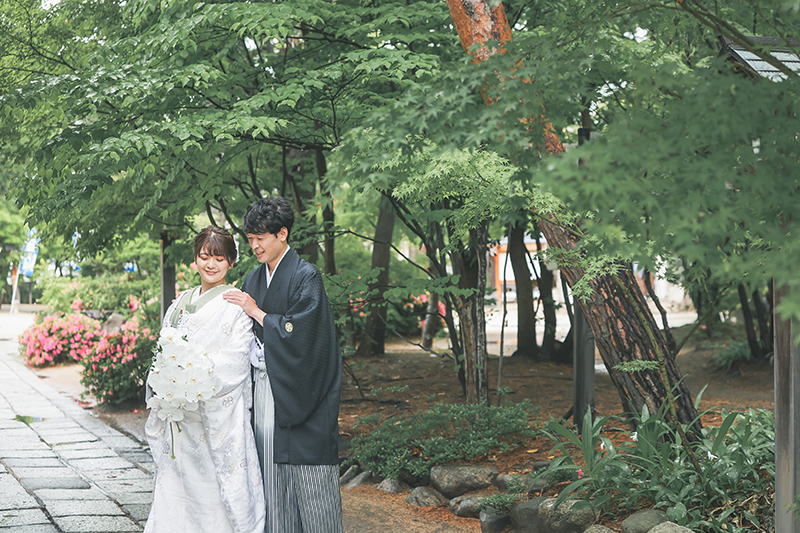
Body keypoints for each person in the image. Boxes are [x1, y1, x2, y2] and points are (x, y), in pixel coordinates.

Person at [223, 196, 344, 533]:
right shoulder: (253, 279)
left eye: (261, 237)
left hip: (302, 397)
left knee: (314, 495)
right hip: (266, 397)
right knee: (272, 492)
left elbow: (305, 338)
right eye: (250, 239)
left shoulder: (307, 277)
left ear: (283, 234)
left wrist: (257, 312)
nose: (255, 245)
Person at [144, 226, 266, 533]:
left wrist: (194, 380)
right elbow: (163, 351)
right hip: (179, 414)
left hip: (211, 411)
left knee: (212, 488)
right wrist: (169, 383)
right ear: (195, 260)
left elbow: (236, 360)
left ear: (231, 263)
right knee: (175, 484)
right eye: (204, 256)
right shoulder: (180, 303)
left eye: (219, 258)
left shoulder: (236, 305)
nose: (211, 265)